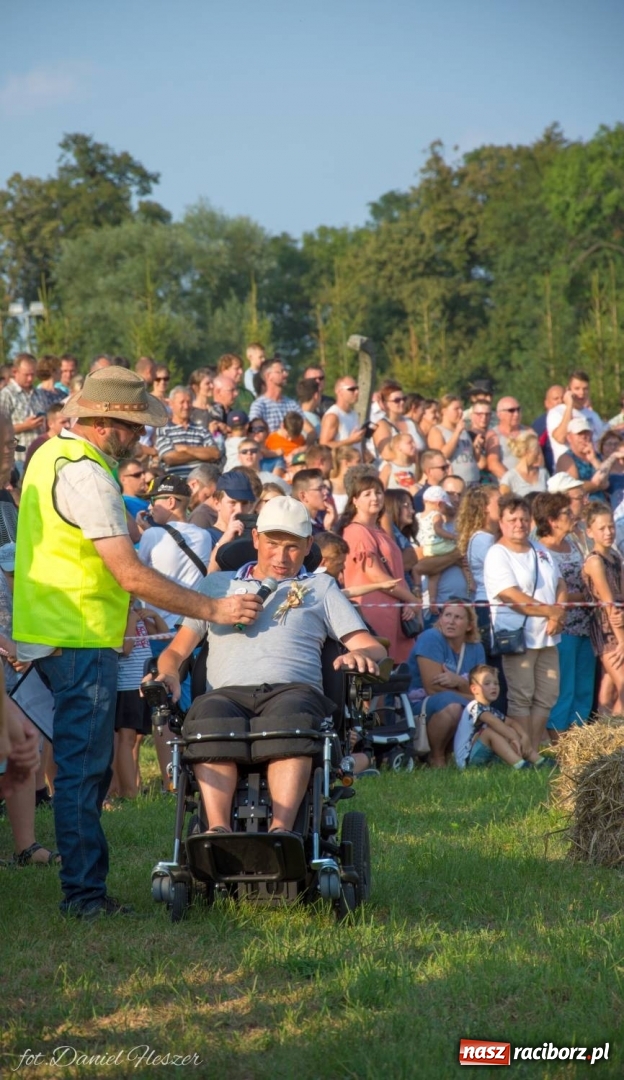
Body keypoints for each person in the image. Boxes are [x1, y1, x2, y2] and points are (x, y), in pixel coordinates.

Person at [13, 367, 263, 918]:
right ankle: (84, 896)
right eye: (133, 427)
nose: (140, 439)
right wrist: (213, 607)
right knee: (83, 770)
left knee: (82, 768)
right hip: (79, 636)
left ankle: (83, 888)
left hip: (59, 630)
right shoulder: (87, 474)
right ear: (108, 423)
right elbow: (127, 570)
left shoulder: (51, 455)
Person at [152, 496, 386, 833]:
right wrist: (169, 672)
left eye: (292, 547)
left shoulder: (319, 587)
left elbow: (371, 647)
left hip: (293, 692)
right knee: (207, 718)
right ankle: (217, 832)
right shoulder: (218, 585)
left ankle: (282, 832)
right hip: (226, 695)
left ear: (308, 546)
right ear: (256, 539)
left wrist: (359, 655)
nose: (281, 556)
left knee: (290, 719)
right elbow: (175, 652)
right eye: (273, 544)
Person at [484, 495, 566, 755]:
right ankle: (524, 753)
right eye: (512, 519)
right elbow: (510, 595)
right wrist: (550, 612)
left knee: (547, 694)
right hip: (518, 637)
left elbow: (561, 583)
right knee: (521, 696)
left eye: (523, 518)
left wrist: (557, 614)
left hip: (548, 635)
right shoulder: (497, 554)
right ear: (501, 522)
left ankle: (531, 749)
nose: (519, 524)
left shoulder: (539, 549)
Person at [532, 492, 596, 738]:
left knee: (583, 688)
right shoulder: (540, 550)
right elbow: (543, 592)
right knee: (564, 688)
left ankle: (579, 742)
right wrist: (582, 598)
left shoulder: (576, 543)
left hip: (585, 626)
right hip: (562, 628)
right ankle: (559, 744)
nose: (573, 516)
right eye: (566, 513)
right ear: (552, 520)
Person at [341, 474, 419, 661]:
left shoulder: (379, 531)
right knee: (381, 668)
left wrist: (408, 602)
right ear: (355, 501)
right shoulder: (356, 531)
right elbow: (375, 575)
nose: (375, 498)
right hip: (374, 611)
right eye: (367, 494)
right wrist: (412, 599)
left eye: (378, 493)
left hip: (395, 610)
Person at [408, 600, 486, 767]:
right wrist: (471, 694)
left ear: (469, 626)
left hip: (454, 701)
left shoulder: (476, 647)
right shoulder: (431, 638)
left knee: (471, 707)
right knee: (453, 706)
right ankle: (436, 757)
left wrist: (458, 681)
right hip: (419, 705)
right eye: (447, 615)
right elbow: (432, 688)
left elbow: (484, 691)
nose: (450, 621)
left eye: (458, 617)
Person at [453, 664, 546, 769]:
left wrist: (524, 737)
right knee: (490, 732)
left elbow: (512, 723)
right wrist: (513, 738)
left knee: (509, 729)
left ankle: (539, 761)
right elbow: (493, 722)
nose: (493, 686)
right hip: (466, 761)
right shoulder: (473, 707)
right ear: (474, 689)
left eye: (496, 683)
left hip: (483, 757)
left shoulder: (491, 710)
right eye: (487, 683)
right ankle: (521, 765)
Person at [583, 503, 624, 715]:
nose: (608, 532)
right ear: (589, 531)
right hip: (607, 631)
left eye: (611, 527)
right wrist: (623, 641)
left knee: (608, 694)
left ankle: (602, 736)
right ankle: (617, 736)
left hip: (620, 626)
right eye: (602, 528)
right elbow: (609, 604)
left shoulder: (615, 558)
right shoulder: (595, 561)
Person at [155, 385, 221, 478]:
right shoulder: (164, 430)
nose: (186, 406)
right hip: (176, 483)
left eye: (189, 402)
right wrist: (202, 456)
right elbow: (169, 458)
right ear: (171, 404)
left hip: (200, 484)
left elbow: (215, 453)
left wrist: (186, 448)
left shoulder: (201, 430)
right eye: (182, 402)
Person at [547, 370, 606, 464]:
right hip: (567, 469)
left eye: (585, 389)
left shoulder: (593, 416)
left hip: (591, 468)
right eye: (577, 389)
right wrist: (569, 405)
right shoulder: (556, 412)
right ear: (568, 390)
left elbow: (602, 443)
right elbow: (560, 438)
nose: (582, 393)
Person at [0, 353, 48, 464]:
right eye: (26, 375)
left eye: (33, 374)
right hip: (18, 460)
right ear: (15, 372)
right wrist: (25, 426)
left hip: (40, 457)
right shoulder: (6, 395)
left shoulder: (39, 394)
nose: (30, 378)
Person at [555, 416, 619, 499]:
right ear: (569, 438)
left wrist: (594, 460)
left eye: (586, 433)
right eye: (579, 434)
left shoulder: (597, 456)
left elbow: (608, 480)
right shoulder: (566, 459)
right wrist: (596, 484)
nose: (583, 437)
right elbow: (573, 487)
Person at [427, 394, 480, 486]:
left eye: (461, 409)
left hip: (473, 479)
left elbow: (473, 458)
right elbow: (442, 456)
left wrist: (477, 447)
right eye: (456, 409)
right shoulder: (437, 430)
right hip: (455, 483)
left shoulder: (464, 431)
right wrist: (457, 433)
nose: (460, 412)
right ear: (444, 411)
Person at [249, 358, 306, 433]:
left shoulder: (292, 404)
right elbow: (255, 434)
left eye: (285, 371)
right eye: (281, 371)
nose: (286, 374)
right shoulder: (259, 405)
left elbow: (310, 429)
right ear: (269, 376)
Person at [485, 397, 526, 482]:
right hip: (507, 486)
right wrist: (514, 482)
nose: (516, 414)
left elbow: (539, 460)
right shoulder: (494, 435)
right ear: (499, 414)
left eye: (518, 409)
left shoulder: (528, 432)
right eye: (511, 411)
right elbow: (493, 464)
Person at [319, 376, 364, 450]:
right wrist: (351, 441)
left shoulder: (354, 414)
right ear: (339, 392)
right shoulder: (333, 416)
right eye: (352, 389)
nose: (356, 392)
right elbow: (324, 445)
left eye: (357, 388)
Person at [499, 431, 549, 496]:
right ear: (527, 452)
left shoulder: (543, 473)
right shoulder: (509, 478)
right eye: (537, 450)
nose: (539, 454)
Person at [291, 469, 337, 535]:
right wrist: (328, 529)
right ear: (303, 496)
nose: (326, 492)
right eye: (320, 488)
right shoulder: (301, 528)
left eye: (324, 487)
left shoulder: (322, 516)